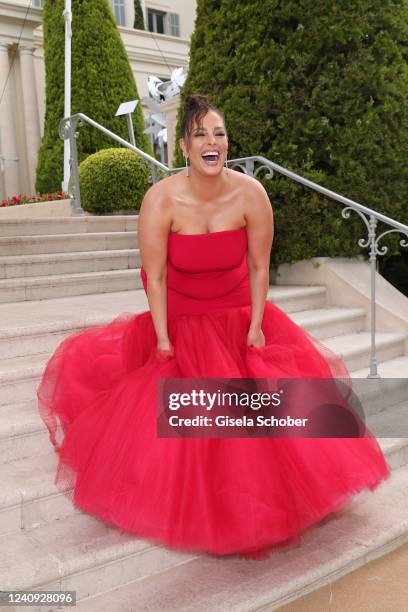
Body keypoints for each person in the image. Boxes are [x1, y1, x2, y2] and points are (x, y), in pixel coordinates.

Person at [37, 94, 390, 560]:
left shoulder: (250, 194)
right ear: (183, 145)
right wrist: (163, 337)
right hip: (179, 321)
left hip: (241, 314)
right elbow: (155, 276)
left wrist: (258, 325)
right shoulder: (160, 199)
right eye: (200, 134)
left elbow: (260, 266)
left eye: (219, 133)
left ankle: (263, 506)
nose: (212, 141)